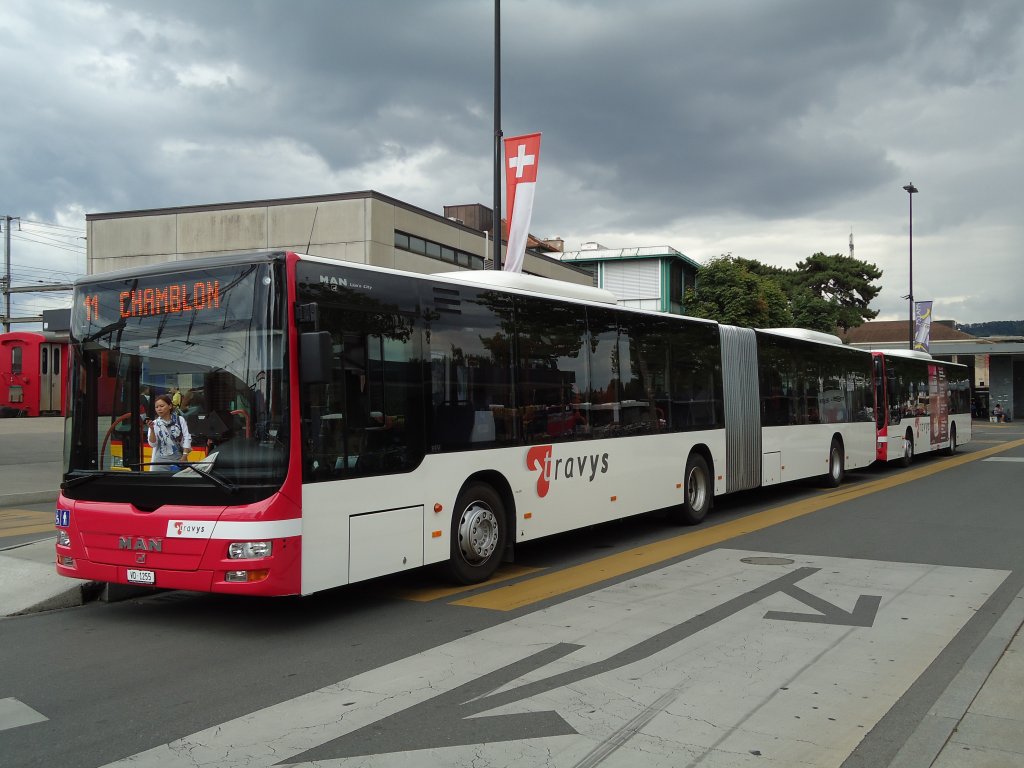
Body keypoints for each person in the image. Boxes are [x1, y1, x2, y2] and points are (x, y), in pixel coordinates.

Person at [146, 394, 192, 472]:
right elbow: (152, 444)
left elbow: (187, 438)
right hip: (159, 464)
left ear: (170, 406)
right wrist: (152, 429)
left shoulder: (180, 420)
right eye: (156, 407)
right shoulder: (154, 423)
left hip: (179, 461)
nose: (159, 409)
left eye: (161, 406)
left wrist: (184, 456)